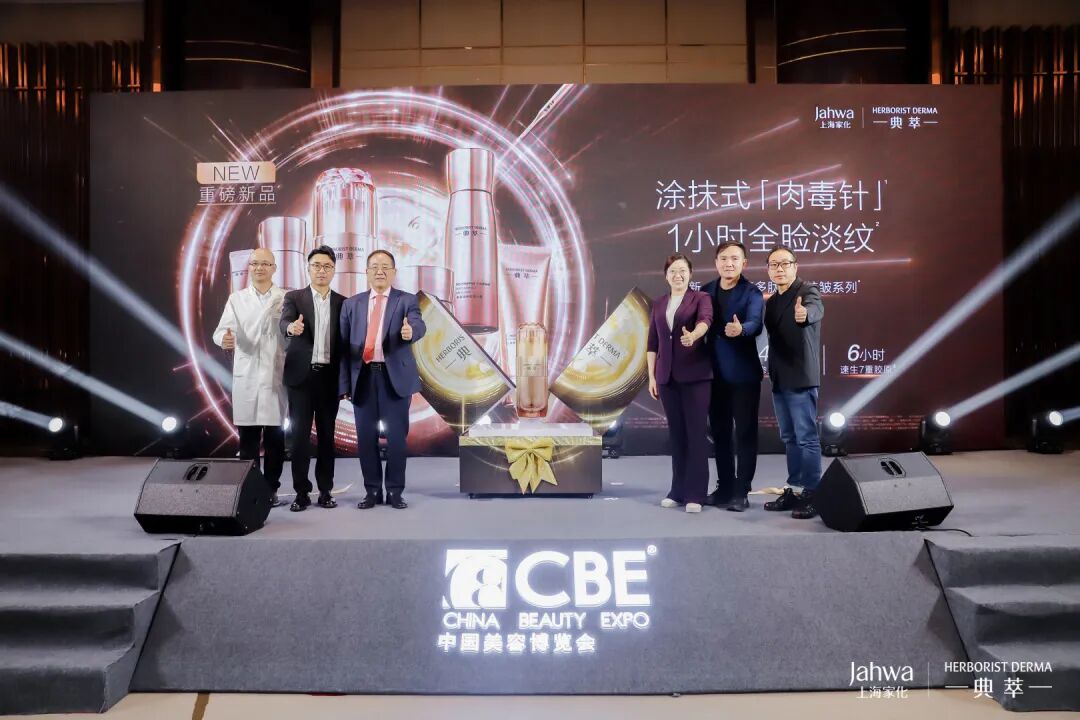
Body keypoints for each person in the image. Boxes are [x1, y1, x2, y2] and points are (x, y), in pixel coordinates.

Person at [339, 250, 426, 510]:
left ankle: (395, 491)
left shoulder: (406, 300)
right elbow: (343, 349)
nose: (380, 271)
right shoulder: (351, 304)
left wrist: (410, 332)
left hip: (393, 378)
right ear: (366, 272)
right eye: (374, 266)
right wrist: (344, 385)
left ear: (394, 272)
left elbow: (418, 324)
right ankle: (372, 491)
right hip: (363, 377)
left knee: (397, 439)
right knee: (365, 439)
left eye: (385, 266)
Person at [212, 247, 287, 505]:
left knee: (276, 440)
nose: (259, 268)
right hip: (248, 376)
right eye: (255, 263)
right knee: (248, 441)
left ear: (274, 268)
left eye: (265, 263)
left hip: (276, 375)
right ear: (249, 267)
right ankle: (250, 490)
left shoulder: (285, 298)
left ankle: (271, 488)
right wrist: (225, 339)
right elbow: (221, 331)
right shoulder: (237, 299)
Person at [280, 246, 346, 512]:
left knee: (327, 438)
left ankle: (326, 490)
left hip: (329, 378)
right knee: (299, 439)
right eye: (316, 265)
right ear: (308, 269)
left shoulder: (343, 302)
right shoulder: (294, 297)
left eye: (327, 266)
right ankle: (301, 492)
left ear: (334, 270)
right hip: (301, 379)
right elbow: (284, 322)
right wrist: (291, 327)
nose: (321, 270)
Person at [647, 253, 713, 513]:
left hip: (696, 376)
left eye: (683, 270)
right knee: (677, 436)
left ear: (690, 274)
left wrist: (694, 335)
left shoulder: (701, 298)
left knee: (696, 435)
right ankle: (677, 490)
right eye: (673, 271)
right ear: (666, 275)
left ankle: (696, 494)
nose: (678, 275)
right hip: (666, 377)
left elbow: (705, 321)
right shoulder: (659, 303)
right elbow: (652, 342)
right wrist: (652, 376)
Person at [762, 247, 825, 519]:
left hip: (801, 376)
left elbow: (814, 310)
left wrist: (805, 315)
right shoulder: (772, 302)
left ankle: (813, 493)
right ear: (768, 270)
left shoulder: (807, 291)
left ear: (795, 267)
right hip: (779, 377)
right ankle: (795, 488)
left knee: (806, 437)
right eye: (774, 264)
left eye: (784, 264)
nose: (779, 269)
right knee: (789, 437)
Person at [702, 241, 764, 512]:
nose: (729, 263)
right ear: (716, 262)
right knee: (720, 434)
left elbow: (756, 323)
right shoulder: (705, 291)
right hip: (712, 375)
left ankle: (742, 491)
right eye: (724, 258)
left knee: (746, 434)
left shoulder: (752, 292)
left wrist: (742, 330)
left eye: (735, 259)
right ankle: (725, 487)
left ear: (744, 263)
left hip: (744, 376)